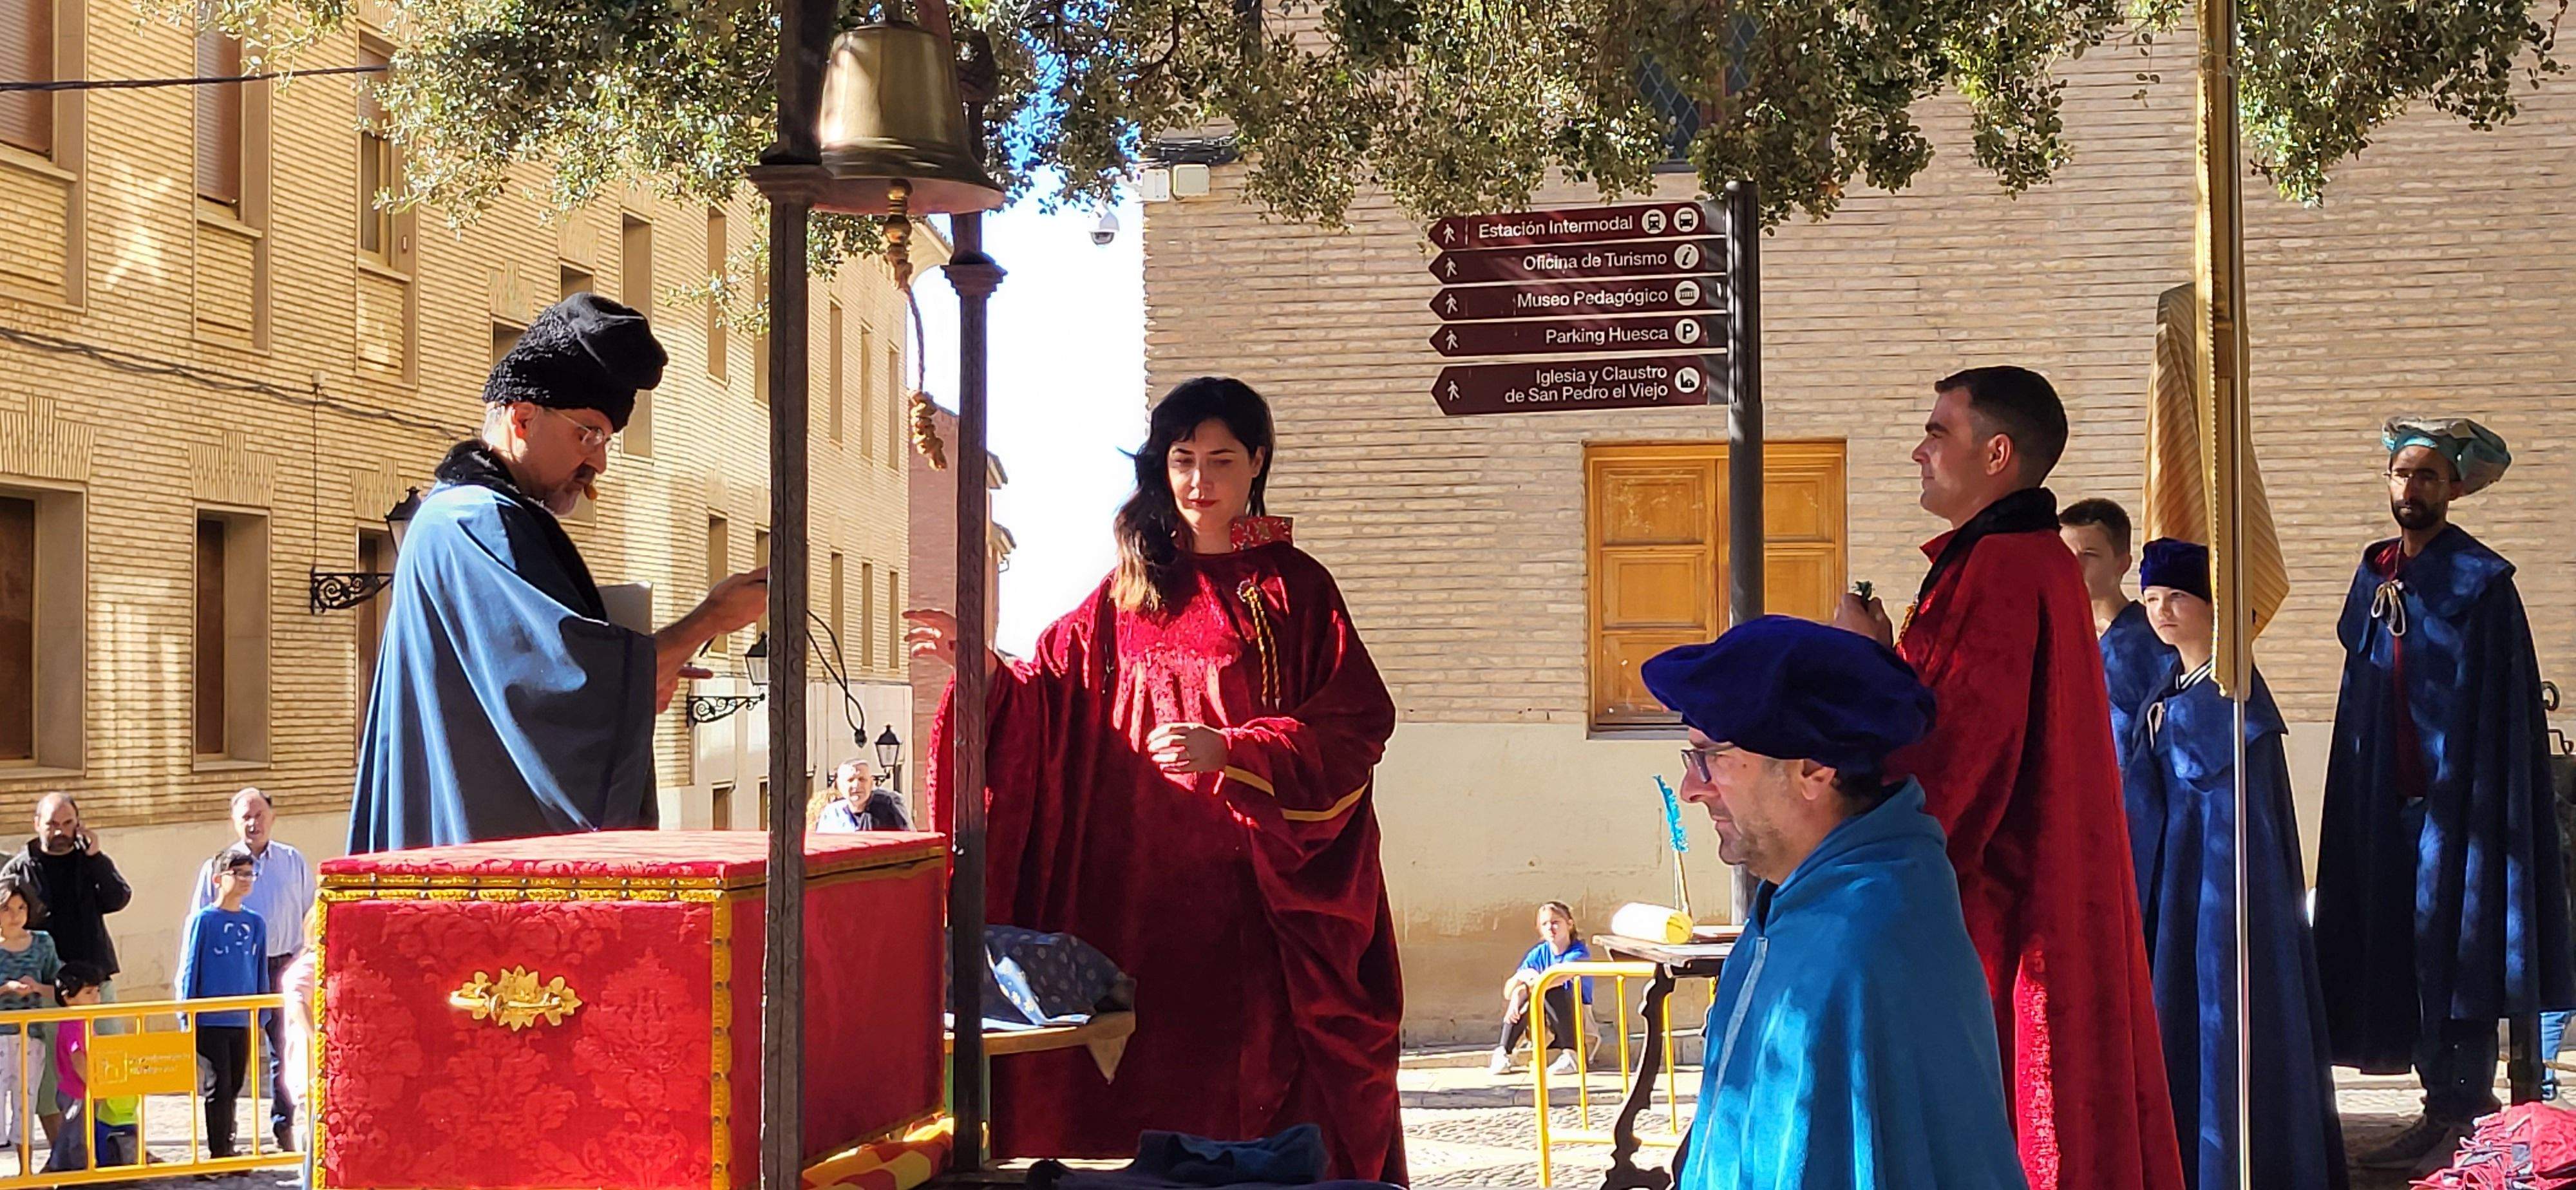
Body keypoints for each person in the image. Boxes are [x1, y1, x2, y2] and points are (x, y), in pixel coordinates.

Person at [912, 377, 1405, 1181]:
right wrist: (986, 674)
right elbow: (1048, 696)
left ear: (1257, 462)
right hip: (1132, 905)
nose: (1199, 481)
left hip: (1255, 911)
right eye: (1182, 459)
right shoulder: (1127, 592)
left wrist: (1236, 750)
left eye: (1221, 459)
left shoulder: (1294, 588)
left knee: (1262, 1115)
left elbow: (1353, 726)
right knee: (1144, 1115)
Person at [1835, 366, 2183, 1190]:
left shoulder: (2001, 566)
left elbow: (1957, 760)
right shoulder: (2016, 558)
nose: (1918, 452)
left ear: (1996, 454)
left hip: (2002, 906)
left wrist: (1856, 669)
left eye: (1937, 433)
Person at [348, 293, 770, 853]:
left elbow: (557, 692)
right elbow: (566, 695)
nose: (599, 462)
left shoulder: (465, 517)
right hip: (486, 864)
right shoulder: (478, 522)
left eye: (606, 441)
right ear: (523, 418)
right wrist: (709, 620)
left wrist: (638, 681)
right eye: (587, 434)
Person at [1644, 616, 2025, 1190]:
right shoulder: (1795, 903)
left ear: (1812, 771)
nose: (1692, 789)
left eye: (1712, 757)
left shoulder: (1864, 943)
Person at [2311, 417, 2574, 1171]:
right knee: (2399, 949)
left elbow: (2501, 711)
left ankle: (2463, 1114)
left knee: (2458, 955)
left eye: (2427, 474)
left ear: (2453, 487)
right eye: (2402, 474)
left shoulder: (2480, 583)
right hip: (2384, 802)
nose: (2412, 487)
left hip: (2460, 810)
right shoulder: (2375, 575)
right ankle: (2437, 1109)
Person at [2121, 539, 2347, 1190]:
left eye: (2178, 598)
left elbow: (2243, 839)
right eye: (2153, 599)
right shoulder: (2168, 690)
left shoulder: (2235, 710)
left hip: (2220, 911)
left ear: (2213, 608)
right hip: (2174, 897)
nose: (2162, 612)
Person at [189, 788, 312, 1152]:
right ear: (233, 820)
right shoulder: (219, 866)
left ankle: (284, 1126)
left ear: (272, 817)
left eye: (259, 815)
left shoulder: (292, 860)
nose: (253, 823)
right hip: (237, 972)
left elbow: (310, 912)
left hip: (286, 965)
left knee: (284, 1051)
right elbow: (200, 923)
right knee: (230, 1065)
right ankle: (224, 1141)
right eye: (245, 816)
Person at [2061, 497, 2178, 768]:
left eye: (2090, 555)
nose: (2074, 567)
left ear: (2122, 563)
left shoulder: (2150, 642)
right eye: (2065, 555)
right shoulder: (2057, 636)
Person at [178, 845, 268, 1159]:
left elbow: (259, 968)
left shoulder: (256, 923)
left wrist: (262, 1013)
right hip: (210, 1018)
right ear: (218, 879)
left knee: (236, 1083)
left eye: (250, 874)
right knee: (218, 1084)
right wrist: (186, 1012)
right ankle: (218, 1151)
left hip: (241, 1018)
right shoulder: (204, 920)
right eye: (238, 873)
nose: (245, 879)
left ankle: (229, 1143)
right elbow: (190, 967)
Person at [43, 962, 135, 1173]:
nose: (95, 997)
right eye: (88, 993)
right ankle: (75, 1172)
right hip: (77, 1091)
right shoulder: (75, 1023)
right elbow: (77, 1058)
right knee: (77, 1135)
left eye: (97, 991)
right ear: (68, 997)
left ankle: (62, 1168)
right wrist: (94, 1084)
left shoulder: (83, 1020)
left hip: (79, 1089)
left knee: (73, 1132)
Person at [1489, 902, 1594, 1077]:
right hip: (1542, 1017)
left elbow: (1558, 979)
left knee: (1550, 987)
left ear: (1569, 924)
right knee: (1528, 998)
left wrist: (1521, 991)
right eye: (1545, 924)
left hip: (1575, 1016)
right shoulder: (1539, 953)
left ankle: (1572, 1055)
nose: (1550, 928)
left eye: (1555, 922)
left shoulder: (1579, 952)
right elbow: (1508, 991)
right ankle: (1503, 1051)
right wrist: (1518, 989)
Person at [0, 873, 58, 1164]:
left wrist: (36, 988)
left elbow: (59, 987)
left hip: (30, 1035)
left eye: (21, 908)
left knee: (26, 1101)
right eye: (7, 909)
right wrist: (7, 988)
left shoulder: (42, 943)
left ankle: (26, 1169)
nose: (15, 916)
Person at [815, 760, 911, 832]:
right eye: (850, 780)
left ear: (871, 783)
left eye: (862, 779)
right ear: (840, 786)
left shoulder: (889, 808)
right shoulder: (832, 814)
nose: (856, 785)